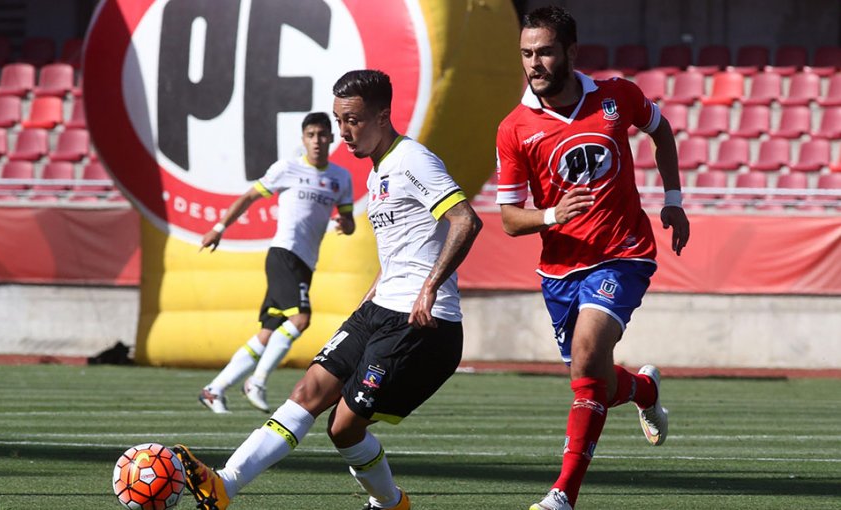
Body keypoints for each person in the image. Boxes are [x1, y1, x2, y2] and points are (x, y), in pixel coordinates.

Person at [174, 69, 483, 510]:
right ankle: (224, 485)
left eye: (353, 120)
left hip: (421, 324)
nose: (344, 133)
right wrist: (372, 294)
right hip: (378, 310)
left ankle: (391, 503)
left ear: (383, 116)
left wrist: (430, 287)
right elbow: (404, 249)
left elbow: (466, 220)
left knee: (343, 428)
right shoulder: (376, 174)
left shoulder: (413, 160)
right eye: (339, 121)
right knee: (306, 392)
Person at [495, 6, 690, 510]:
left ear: (570, 53)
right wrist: (552, 215)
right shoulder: (515, 128)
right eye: (526, 54)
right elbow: (511, 219)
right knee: (595, 378)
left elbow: (661, 130)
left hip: (623, 253)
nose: (533, 63)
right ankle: (643, 389)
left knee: (587, 353)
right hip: (560, 268)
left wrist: (673, 200)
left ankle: (563, 494)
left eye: (543, 52)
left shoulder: (616, 96)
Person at [197, 112, 356, 414]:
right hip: (284, 253)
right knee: (300, 319)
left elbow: (349, 223)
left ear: (331, 138)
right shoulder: (287, 168)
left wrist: (343, 224)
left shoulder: (340, 177)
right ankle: (256, 382)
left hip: (307, 263)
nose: (317, 141)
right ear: (303, 139)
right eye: (311, 135)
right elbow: (248, 197)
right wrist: (219, 228)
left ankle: (214, 390)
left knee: (270, 331)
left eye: (322, 134)